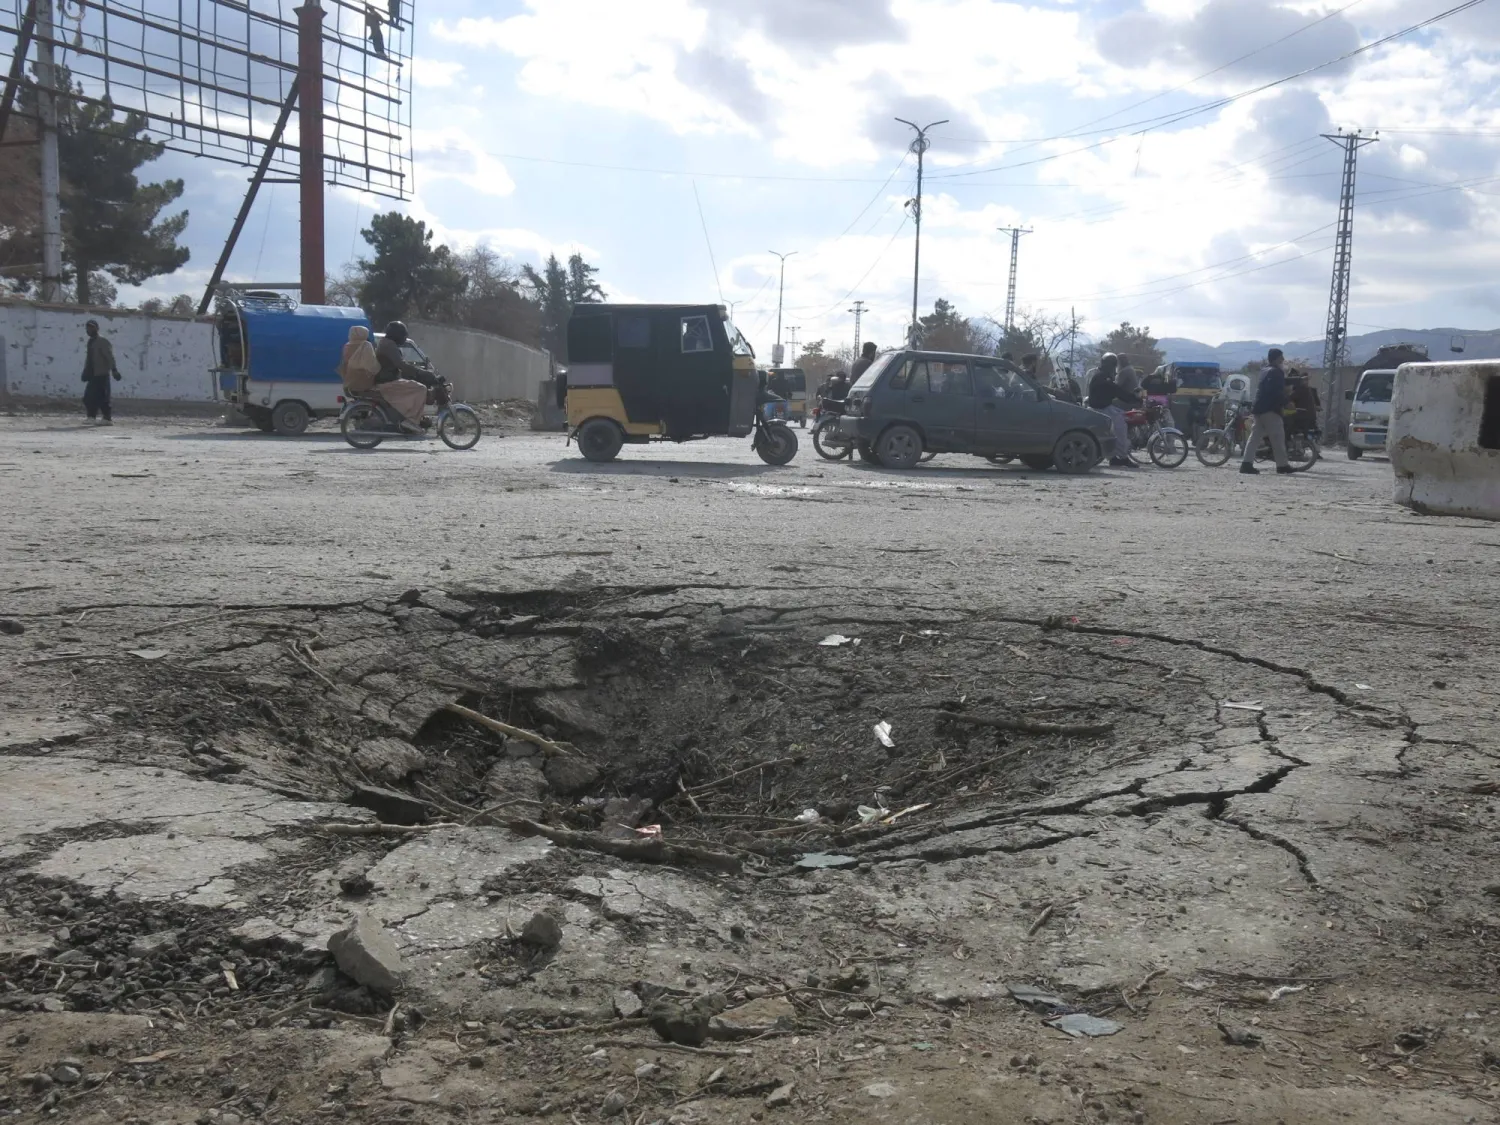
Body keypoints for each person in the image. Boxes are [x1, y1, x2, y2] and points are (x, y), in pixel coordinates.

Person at [375, 321, 435, 433]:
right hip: (388, 382)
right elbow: (401, 364)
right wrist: (421, 372)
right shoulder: (389, 345)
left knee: (413, 386)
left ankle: (408, 417)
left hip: (387, 379)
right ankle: (411, 420)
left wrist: (415, 371)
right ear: (397, 334)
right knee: (421, 388)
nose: (404, 338)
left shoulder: (386, 343)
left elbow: (399, 364)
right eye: (403, 335)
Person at [1241, 348, 1294, 475]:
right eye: (1281, 357)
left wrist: (1297, 379)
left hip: (1259, 409)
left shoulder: (1264, 371)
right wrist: (1287, 402)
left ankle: (1246, 464)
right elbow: (1276, 391)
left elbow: (1275, 385)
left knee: (1254, 438)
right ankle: (1282, 466)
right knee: (1278, 437)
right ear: (1276, 358)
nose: (1283, 360)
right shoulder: (1276, 372)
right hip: (1270, 410)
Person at [1087, 353, 1137, 468]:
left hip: (1103, 407)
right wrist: (1133, 398)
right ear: (1111, 365)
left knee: (1119, 420)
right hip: (1101, 409)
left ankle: (1114, 457)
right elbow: (1117, 391)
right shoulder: (1104, 377)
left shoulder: (1100, 375)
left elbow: (1115, 390)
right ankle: (1122, 457)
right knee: (1120, 427)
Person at [80, 319, 122, 425]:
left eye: (92, 328)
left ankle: (107, 419)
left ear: (97, 329)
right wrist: (85, 371)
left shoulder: (102, 341)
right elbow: (90, 358)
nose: (89, 330)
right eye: (88, 328)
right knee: (88, 397)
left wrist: (114, 370)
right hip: (92, 374)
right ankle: (91, 417)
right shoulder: (91, 342)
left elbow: (109, 356)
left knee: (103, 397)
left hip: (101, 374)